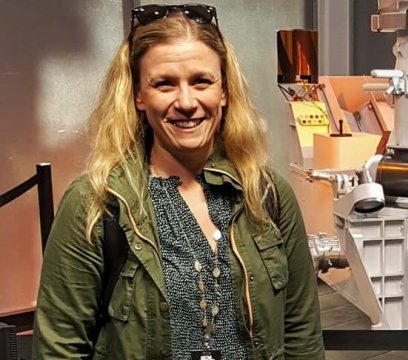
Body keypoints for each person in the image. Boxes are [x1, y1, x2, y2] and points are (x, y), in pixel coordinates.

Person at [32, 4, 324, 359]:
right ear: (139, 95)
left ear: (224, 91)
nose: (186, 102)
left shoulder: (265, 195)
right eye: (164, 84)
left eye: (201, 81)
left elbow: (301, 335)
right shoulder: (96, 203)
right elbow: (58, 349)